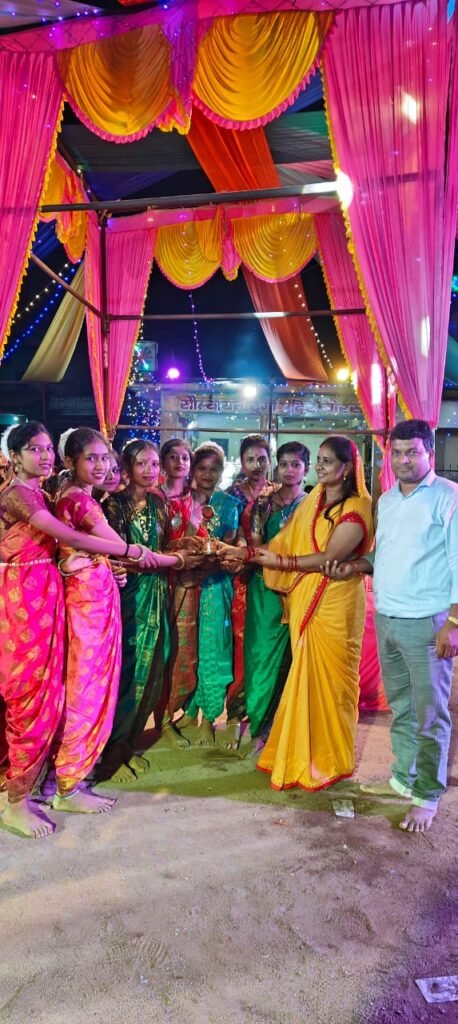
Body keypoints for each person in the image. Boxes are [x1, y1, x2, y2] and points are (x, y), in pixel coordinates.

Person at [0, 422, 160, 839]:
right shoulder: (19, 495)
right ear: (14, 456)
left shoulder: (44, 494)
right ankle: (15, 802)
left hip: (47, 598)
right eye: (34, 449)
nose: (44, 456)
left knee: (51, 697)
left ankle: (37, 789)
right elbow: (69, 536)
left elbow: (64, 550)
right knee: (28, 699)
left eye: (47, 448)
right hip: (22, 604)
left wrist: (100, 565)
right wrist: (129, 551)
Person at [324, 420, 458, 833]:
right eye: (396, 453)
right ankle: (404, 777)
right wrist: (356, 566)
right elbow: (383, 553)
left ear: (429, 453)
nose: (403, 460)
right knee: (401, 706)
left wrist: (453, 622)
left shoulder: (448, 497)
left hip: (428, 621)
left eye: (412, 452)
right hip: (388, 618)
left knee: (430, 714)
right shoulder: (387, 500)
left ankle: (428, 795)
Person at [220, 436, 373, 790]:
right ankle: (297, 749)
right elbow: (278, 543)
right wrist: (246, 554)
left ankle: (330, 758)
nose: (320, 466)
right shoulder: (314, 501)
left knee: (333, 682)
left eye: (327, 461)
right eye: (319, 459)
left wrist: (280, 562)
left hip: (334, 601)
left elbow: (330, 557)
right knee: (301, 674)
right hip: (301, 595)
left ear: (346, 468)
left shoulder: (357, 505)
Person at [52, 427, 186, 814]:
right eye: (91, 458)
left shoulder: (150, 502)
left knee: (135, 674)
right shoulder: (97, 504)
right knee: (98, 683)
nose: (100, 466)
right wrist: (176, 560)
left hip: (117, 594)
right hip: (103, 600)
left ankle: (108, 755)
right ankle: (82, 772)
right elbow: (121, 550)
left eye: (103, 457)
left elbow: (109, 553)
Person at [101, 440, 195, 780]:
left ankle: (128, 744)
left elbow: (164, 545)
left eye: (155, 463)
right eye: (142, 463)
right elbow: (117, 555)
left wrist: (187, 547)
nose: (151, 470)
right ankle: (111, 752)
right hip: (130, 595)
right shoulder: (115, 505)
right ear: (128, 467)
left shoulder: (158, 502)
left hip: (158, 592)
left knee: (155, 670)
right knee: (130, 672)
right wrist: (174, 560)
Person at [244, 442, 310, 741]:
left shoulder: (313, 505)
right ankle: (259, 722)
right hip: (266, 587)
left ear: (306, 469)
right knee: (260, 653)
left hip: (300, 584)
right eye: (284, 464)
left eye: (296, 464)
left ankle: (288, 727)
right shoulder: (264, 504)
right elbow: (256, 548)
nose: (289, 470)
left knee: (297, 655)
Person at [178, 443, 241, 745]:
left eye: (214, 469)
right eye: (202, 468)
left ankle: (209, 716)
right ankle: (190, 708)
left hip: (216, 584)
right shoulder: (180, 503)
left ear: (222, 471)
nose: (207, 474)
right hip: (184, 583)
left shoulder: (229, 504)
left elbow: (231, 542)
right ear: (193, 469)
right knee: (188, 650)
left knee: (214, 649)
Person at [155, 438, 207, 745]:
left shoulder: (196, 499)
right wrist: (179, 549)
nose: (179, 462)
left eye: (185, 457)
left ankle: (178, 711)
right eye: (173, 457)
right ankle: (160, 718)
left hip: (190, 581)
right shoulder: (154, 497)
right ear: (163, 462)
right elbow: (149, 544)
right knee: (161, 650)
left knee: (185, 650)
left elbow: (204, 535)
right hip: (158, 581)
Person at [225, 434, 275, 741]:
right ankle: (234, 712)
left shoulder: (280, 494)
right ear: (242, 462)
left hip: (274, 578)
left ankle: (265, 713)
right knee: (241, 646)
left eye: (262, 458)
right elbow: (227, 535)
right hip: (242, 578)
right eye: (250, 459)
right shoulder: (232, 496)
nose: (257, 465)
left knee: (267, 647)